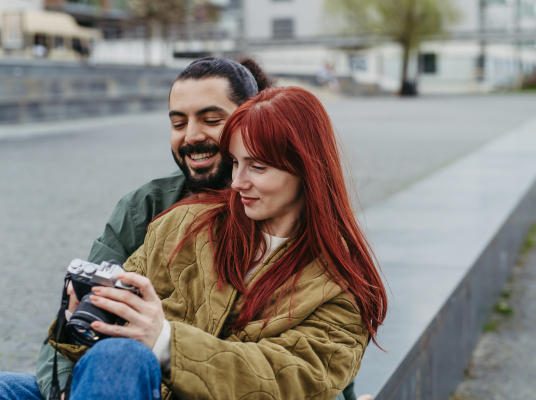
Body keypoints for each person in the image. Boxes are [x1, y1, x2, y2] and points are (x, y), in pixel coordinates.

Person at [0, 58, 365, 400]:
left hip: (149, 375)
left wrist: (163, 341)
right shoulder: (179, 219)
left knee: (123, 358)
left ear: (306, 168)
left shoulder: (342, 283)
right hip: (130, 384)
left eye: (257, 166)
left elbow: (298, 377)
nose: (237, 183)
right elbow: (91, 335)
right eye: (236, 162)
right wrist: (85, 316)